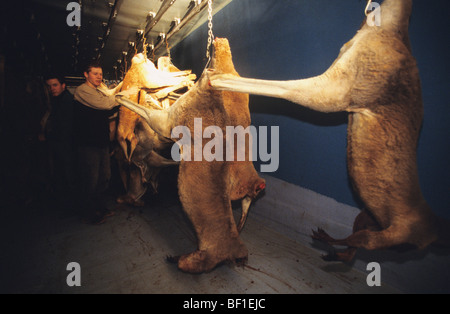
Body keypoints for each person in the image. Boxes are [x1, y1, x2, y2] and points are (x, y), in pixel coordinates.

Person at [73, 61, 135, 224]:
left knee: (104, 177)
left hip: (101, 143)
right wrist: (126, 93)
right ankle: (89, 213)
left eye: (100, 74)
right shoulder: (83, 91)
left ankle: (99, 207)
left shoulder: (98, 90)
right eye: (95, 73)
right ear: (86, 74)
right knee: (90, 179)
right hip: (89, 144)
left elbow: (110, 101)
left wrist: (124, 91)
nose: (99, 77)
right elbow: (107, 104)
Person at [43, 74, 76, 209]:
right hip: (62, 146)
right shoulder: (58, 100)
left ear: (63, 85)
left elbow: (65, 128)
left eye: (55, 85)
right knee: (63, 176)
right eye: (49, 86)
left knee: (67, 177)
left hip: (66, 147)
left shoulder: (66, 101)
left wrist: (48, 136)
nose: (52, 89)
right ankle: (67, 206)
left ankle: (70, 207)